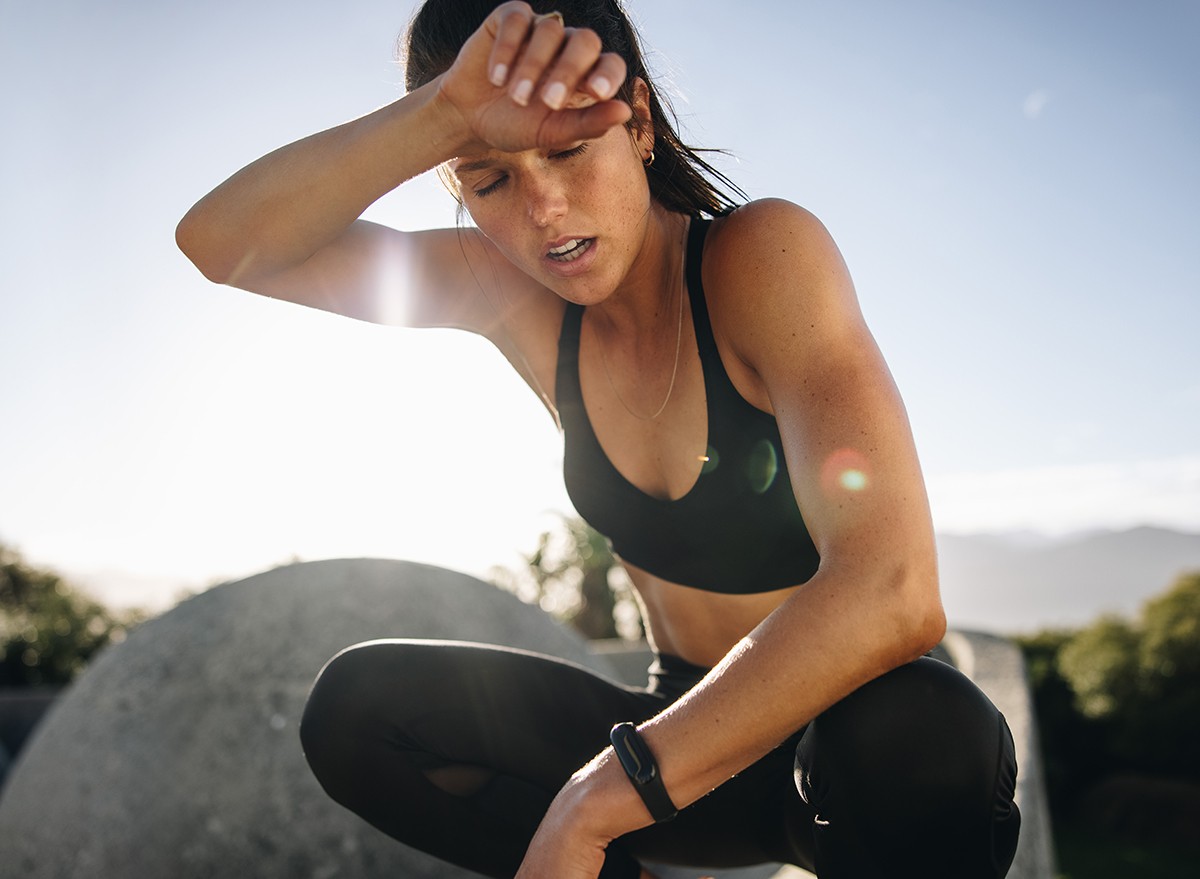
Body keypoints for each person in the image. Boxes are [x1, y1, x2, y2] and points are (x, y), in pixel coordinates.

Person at [176, 2, 1021, 877]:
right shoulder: (505, 294)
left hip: (841, 767)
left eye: (568, 150)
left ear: (640, 124)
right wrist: (443, 115)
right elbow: (223, 245)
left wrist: (596, 801)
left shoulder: (761, 258)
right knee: (358, 709)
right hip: (678, 742)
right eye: (489, 178)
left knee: (924, 727)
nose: (544, 209)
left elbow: (895, 589)